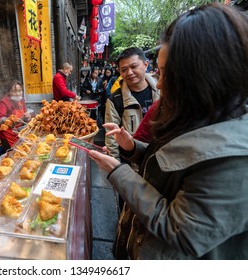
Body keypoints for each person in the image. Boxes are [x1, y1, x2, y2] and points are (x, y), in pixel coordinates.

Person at [89, 3, 248, 259]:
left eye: (166, 74)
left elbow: (180, 231)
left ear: (205, 75)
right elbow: (170, 167)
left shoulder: (236, 158)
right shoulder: (192, 113)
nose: (159, 83)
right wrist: (132, 148)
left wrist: (118, 173)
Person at [105, 47, 160, 159]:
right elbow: (111, 140)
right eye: (124, 70)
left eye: (134, 67)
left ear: (146, 65)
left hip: (164, 159)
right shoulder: (115, 99)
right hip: (133, 162)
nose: (129, 73)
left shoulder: (163, 90)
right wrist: (116, 167)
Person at [0, 80, 31, 150]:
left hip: (20, 132)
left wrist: (27, 117)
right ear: (9, 92)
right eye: (14, 91)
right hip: (8, 135)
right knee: (13, 155)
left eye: (20, 91)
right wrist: (9, 120)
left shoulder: (21, 100)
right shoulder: (4, 102)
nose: (18, 94)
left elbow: (25, 114)